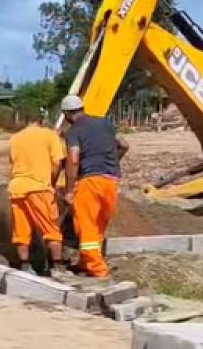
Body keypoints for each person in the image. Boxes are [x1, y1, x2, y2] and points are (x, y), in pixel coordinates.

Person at [60, 95, 129, 278]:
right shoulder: (105, 124)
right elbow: (123, 145)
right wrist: (111, 163)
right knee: (98, 226)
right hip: (111, 180)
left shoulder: (74, 131)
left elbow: (73, 160)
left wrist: (69, 189)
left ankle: (99, 271)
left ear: (66, 113)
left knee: (86, 225)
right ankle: (86, 263)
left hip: (90, 181)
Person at [7, 114, 66, 270]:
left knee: (21, 232)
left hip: (16, 189)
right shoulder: (50, 135)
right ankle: (57, 266)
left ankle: (25, 266)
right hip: (39, 188)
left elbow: (14, 163)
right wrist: (52, 182)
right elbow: (57, 163)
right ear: (42, 122)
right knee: (51, 230)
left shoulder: (15, 138)